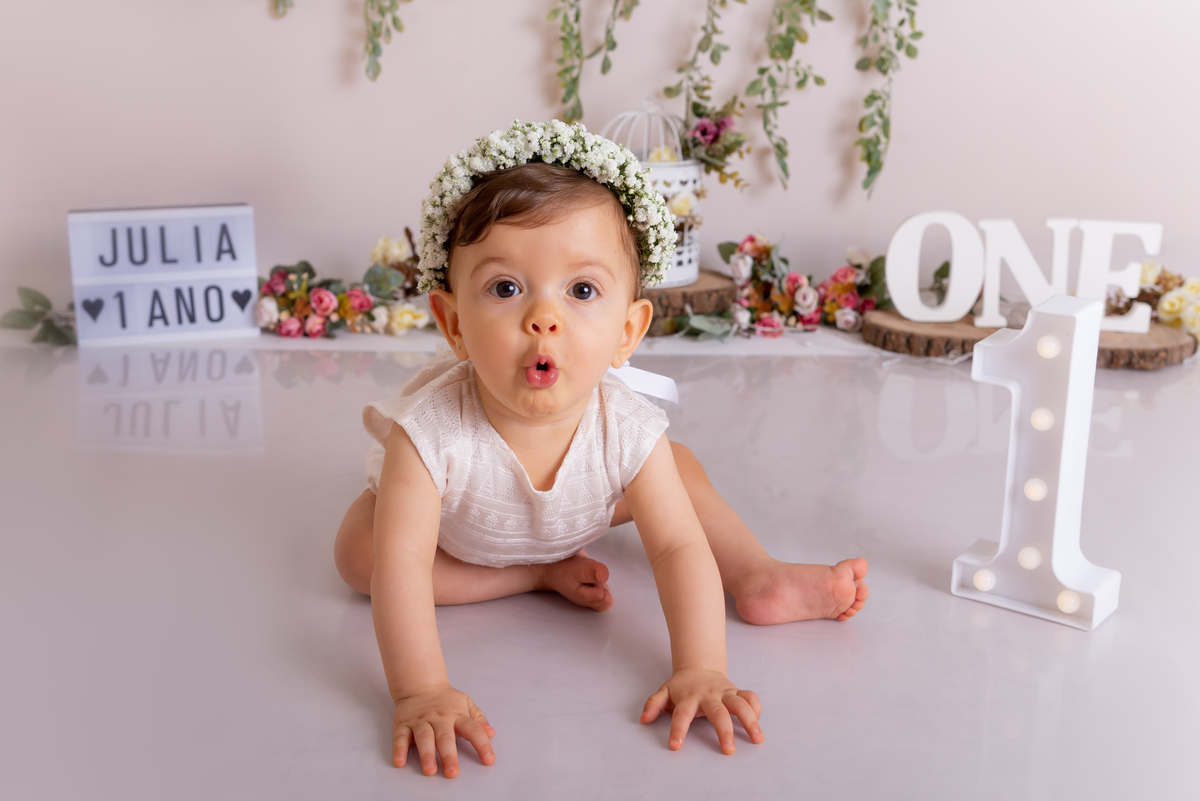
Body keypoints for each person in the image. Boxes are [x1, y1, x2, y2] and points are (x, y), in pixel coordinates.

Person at [333, 120, 868, 778]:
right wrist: (421, 691)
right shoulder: (430, 435)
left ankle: (756, 573)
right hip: (460, 527)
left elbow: (676, 548)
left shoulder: (626, 427)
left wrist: (702, 666)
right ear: (453, 324)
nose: (544, 317)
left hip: (581, 509)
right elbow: (406, 565)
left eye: (581, 291)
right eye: (505, 288)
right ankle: (530, 575)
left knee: (677, 469)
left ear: (627, 331)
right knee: (363, 553)